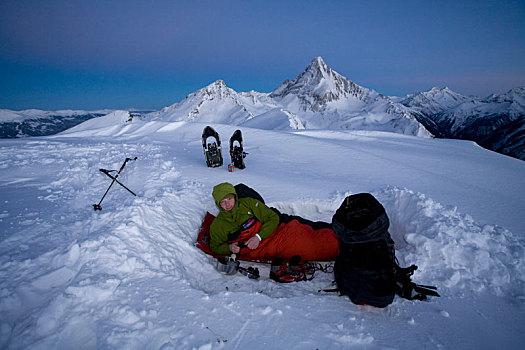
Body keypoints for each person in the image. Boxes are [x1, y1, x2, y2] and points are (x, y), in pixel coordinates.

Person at [210, 182, 339, 261]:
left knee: (313, 236)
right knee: (308, 248)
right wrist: (229, 248)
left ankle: (344, 238)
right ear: (218, 204)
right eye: (223, 202)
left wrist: (258, 237)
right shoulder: (219, 225)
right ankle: (343, 245)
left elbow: (272, 218)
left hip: (277, 230)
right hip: (265, 248)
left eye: (229, 199)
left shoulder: (248, 203)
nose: (227, 204)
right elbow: (215, 247)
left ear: (235, 197)